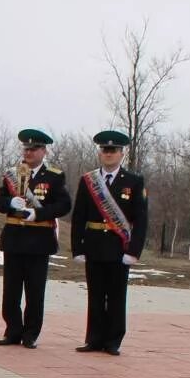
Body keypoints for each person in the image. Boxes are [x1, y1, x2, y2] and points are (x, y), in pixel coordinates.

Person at [71, 130, 150, 356]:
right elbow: (79, 217)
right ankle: (94, 338)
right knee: (95, 295)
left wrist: (134, 251)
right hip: (94, 245)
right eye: (105, 150)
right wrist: (78, 247)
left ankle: (114, 340)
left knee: (116, 296)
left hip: (119, 247)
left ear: (121, 153)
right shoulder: (88, 181)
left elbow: (141, 219)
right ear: (99, 152)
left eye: (113, 150)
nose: (108, 154)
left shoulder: (134, 182)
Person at [0, 128, 71, 348]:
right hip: (14, 238)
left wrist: (39, 213)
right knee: (11, 291)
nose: (28, 152)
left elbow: (64, 205)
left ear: (43, 151)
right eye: (26, 148)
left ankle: (31, 334)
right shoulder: (12, 174)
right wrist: (9, 203)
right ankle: (12, 331)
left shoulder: (54, 176)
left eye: (33, 148)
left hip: (38, 240)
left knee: (35, 291)